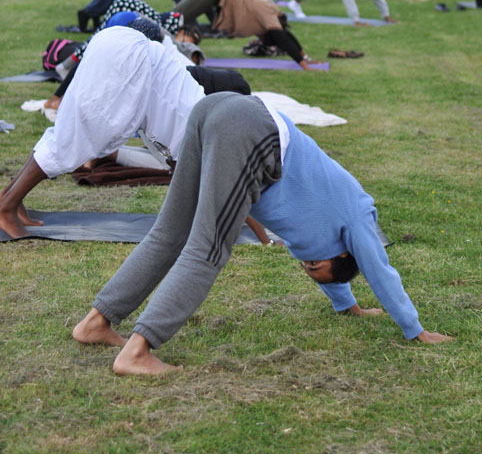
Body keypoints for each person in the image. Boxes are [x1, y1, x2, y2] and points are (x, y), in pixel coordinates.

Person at [73, 91, 453, 376]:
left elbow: (330, 269)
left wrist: (347, 305)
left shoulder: (316, 240)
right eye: (314, 265)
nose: (306, 263)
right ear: (342, 253)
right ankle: (137, 352)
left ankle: (95, 322)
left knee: (169, 233)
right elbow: (378, 270)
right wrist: (413, 329)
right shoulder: (357, 219)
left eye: (307, 269)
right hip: (250, 128)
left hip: (215, 110)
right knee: (207, 250)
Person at [0, 25, 248, 240]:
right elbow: (229, 190)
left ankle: (11, 197)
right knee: (73, 141)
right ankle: (7, 206)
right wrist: (267, 239)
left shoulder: (198, 110)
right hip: (127, 59)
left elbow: (189, 180)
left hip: (122, 44)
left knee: (67, 136)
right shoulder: (205, 132)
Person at [173, 0, 320, 69]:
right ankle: (153, 34)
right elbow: (283, 39)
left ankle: (167, 43)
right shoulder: (269, 15)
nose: (260, 38)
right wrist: (304, 65)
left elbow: (286, 35)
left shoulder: (271, 13)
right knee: (176, 17)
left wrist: (305, 57)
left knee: (179, 19)